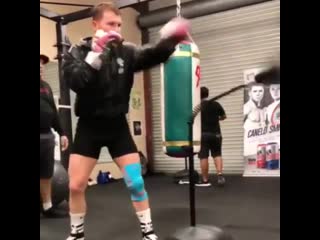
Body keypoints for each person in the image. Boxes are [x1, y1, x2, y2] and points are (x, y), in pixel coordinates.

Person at [62, 2, 191, 240]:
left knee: (135, 182)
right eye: (111, 23)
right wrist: (95, 55)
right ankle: (77, 233)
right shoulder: (77, 52)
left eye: (119, 25)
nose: (116, 29)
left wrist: (171, 39)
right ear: (95, 24)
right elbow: (76, 82)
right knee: (75, 186)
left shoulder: (127, 51)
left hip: (117, 126)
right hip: (89, 127)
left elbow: (153, 55)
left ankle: (148, 231)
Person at [40, 54, 69, 218]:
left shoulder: (46, 86)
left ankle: (47, 207)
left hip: (46, 136)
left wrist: (62, 132)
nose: (40, 66)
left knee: (46, 174)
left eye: (42, 64)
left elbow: (53, 112)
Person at [196, 87, 227, 187]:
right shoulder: (215, 104)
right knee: (217, 154)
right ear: (208, 94)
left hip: (203, 135)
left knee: (203, 156)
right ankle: (220, 175)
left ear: (198, 95)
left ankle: (205, 179)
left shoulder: (198, 106)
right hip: (216, 134)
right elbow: (224, 116)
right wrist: (216, 119)